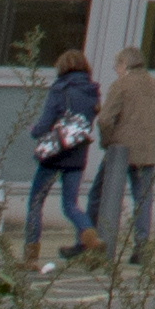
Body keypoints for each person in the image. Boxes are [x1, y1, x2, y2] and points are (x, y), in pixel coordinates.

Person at [25, 49, 104, 266]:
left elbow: (46, 122)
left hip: (54, 154)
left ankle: (30, 256)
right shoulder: (92, 91)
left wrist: (34, 131)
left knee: (35, 202)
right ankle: (90, 236)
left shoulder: (60, 89)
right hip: (78, 155)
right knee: (70, 204)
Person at [96, 36, 155, 259]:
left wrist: (108, 141)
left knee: (100, 195)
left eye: (117, 66)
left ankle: (95, 242)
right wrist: (149, 136)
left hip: (119, 150)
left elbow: (105, 119)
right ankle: (142, 246)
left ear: (124, 65)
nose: (116, 70)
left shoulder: (121, 85)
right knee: (143, 198)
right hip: (146, 152)